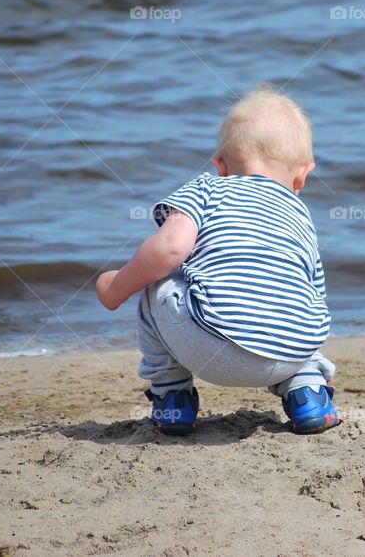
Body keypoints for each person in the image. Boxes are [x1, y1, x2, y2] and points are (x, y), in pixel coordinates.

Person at [95, 85, 339, 435]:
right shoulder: (301, 215)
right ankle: (308, 394)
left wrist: (117, 286)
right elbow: (315, 292)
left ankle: (172, 398)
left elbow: (169, 250)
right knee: (294, 299)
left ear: (220, 166)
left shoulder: (208, 188)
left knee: (159, 279)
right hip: (292, 353)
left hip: (211, 346)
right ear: (303, 173)